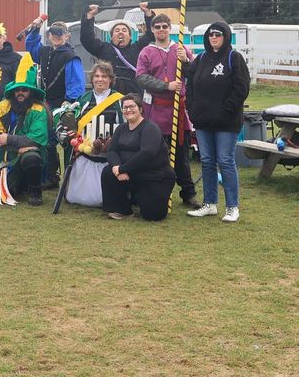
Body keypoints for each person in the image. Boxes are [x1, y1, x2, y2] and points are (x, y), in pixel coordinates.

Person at [185, 21, 250, 223]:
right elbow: (191, 84)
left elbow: (241, 89)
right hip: (203, 122)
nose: (214, 37)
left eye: (218, 35)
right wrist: (192, 108)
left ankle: (232, 207)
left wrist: (226, 110)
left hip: (226, 123)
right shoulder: (201, 59)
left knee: (225, 161)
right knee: (207, 162)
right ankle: (210, 204)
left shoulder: (234, 58)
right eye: (211, 34)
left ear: (226, 37)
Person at [135, 13, 199, 208]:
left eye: (164, 26)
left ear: (169, 28)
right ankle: (155, 191)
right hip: (155, 109)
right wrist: (166, 86)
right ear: (152, 30)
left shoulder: (180, 49)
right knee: (154, 152)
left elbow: (195, 74)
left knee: (181, 154)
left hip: (177, 111)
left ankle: (188, 194)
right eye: (157, 27)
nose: (161, 30)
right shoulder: (146, 52)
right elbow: (141, 77)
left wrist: (186, 61)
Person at [25, 18, 85, 187]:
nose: (56, 36)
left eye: (60, 34)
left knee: (67, 141)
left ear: (67, 36)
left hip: (65, 104)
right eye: (53, 33)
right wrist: (35, 29)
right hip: (46, 104)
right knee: (48, 140)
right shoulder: (44, 51)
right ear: (49, 35)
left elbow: (76, 83)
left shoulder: (71, 56)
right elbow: (31, 46)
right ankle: (51, 177)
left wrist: (68, 105)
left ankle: (70, 179)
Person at [100, 93, 176, 221]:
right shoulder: (121, 129)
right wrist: (116, 168)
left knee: (153, 215)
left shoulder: (150, 128)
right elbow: (112, 151)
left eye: (132, 106)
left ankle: (140, 199)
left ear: (140, 109)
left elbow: (147, 153)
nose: (128, 110)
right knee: (108, 172)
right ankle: (122, 209)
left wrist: (123, 169)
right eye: (125, 107)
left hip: (153, 176)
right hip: (131, 174)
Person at [0, 66, 49, 206]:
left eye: (24, 90)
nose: (20, 93)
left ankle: (35, 191)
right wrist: (17, 147)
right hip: (6, 157)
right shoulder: (3, 106)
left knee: (31, 157)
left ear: (31, 92)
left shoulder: (38, 110)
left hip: (31, 154)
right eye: (17, 90)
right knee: (11, 190)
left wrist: (8, 138)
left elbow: (36, 139)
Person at [80, 3, 157, 95]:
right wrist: (89, 16)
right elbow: (87, 39)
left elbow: (151, 35)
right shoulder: (103, 49)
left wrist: (148, 14)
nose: (120, 32)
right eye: (117, 31)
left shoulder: (138, 48)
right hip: (109, 97)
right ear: (111, 37)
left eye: (124, 30)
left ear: (130, 36)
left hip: (134, 97)